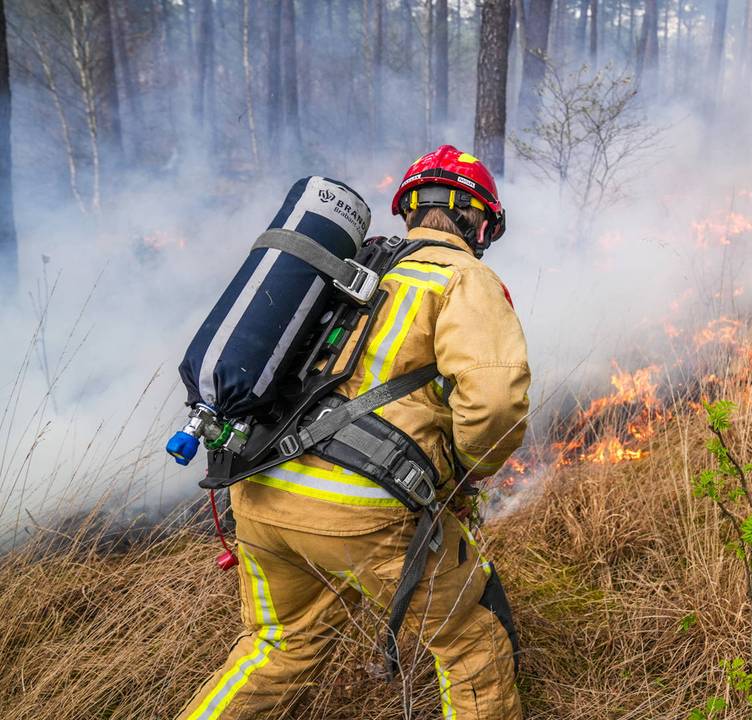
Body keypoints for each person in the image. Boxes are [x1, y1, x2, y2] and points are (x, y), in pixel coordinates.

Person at [179, 146, 529, 720]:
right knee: (470, 644)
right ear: (482, 222)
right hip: (360, 511)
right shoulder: (463, 277)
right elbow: (494, 404)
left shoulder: (353, 273)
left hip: (261, 492)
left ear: (409, 211)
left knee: (277, 646)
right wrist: (466, 473)